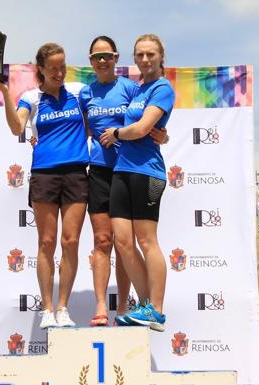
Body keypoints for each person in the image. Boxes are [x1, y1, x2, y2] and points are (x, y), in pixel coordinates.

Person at [0, 43, 89, 329]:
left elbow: (99, 120)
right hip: (44, 174)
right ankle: (47, 308)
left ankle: (64, 308)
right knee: (46, 242)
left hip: (77, 173)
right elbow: (17, 128)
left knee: (71, 242)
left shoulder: (80, 92)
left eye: (63, 66)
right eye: (53, 67)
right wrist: (5, 93)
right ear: (40, 69)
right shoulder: (30, 97)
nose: (59, 72)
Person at [80, 36, 169, 327]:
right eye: (140, 55)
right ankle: (145, 308)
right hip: (118, 171)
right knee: (121, 241)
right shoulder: (140, 88)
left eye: (150, 54)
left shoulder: (155, 87)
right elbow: (80, 129)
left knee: (146, 240)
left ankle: (154, 307)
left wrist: (119, 133)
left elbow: (145, 127)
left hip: (146, 171)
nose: (145, 59)